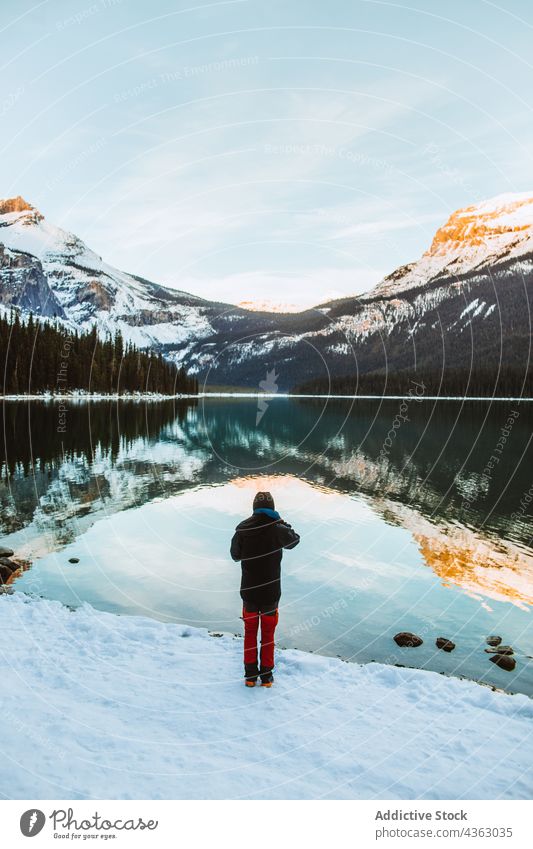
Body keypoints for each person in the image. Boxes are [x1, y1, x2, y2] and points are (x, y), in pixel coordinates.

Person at [230, 491, 300, 687]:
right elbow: (294, 541)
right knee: (268, 634)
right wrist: (283, 524)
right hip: (271, 593)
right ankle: (267, 678)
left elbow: (235, 556)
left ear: (254, 508)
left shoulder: (242, 530)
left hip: (249, 593)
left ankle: (250, 677)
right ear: (272, 508)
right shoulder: (277, 529)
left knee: (250, 632)